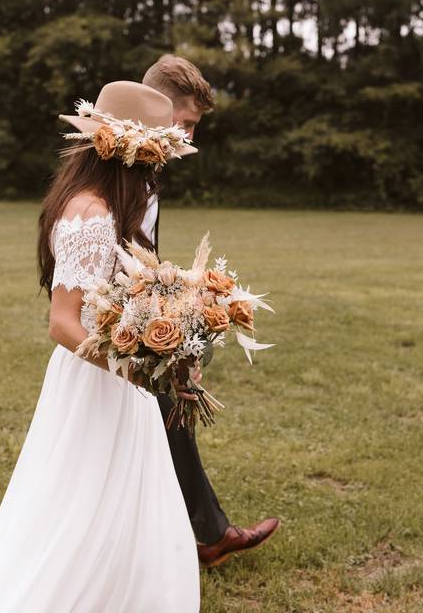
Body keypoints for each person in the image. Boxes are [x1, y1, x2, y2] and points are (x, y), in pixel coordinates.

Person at [0, 81, 200, 612]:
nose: (157, 171)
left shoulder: (97, 203)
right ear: (128, 156)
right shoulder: (92, 215)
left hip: (109, 375)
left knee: (115, 502)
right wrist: (135, 368)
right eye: (154, 158)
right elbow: (62, 321)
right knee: (81, 505)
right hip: (97, 379)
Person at [141, 54, 280, 567]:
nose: (191, 137)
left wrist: (184, 303)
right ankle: (204, 535)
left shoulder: (146, 167)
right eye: (188, 123)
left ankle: (202, 534)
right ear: (158, 107)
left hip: (136, 312)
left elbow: (140, 254)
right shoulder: (123, 169)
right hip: (106, 327)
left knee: (170, 411)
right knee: (166, 411)